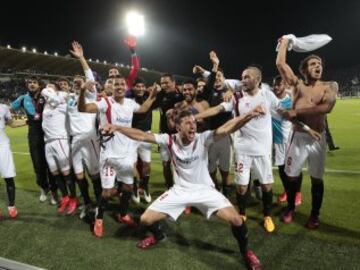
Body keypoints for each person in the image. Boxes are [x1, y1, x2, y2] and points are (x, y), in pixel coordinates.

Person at [100, 109, 265, 270]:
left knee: (236, 220)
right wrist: (117, 127)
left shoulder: (203, 138)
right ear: (178, 128)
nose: (193, 126)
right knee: (145, 220)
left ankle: (246, 252)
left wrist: (248, 115)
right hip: (180, 191)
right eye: (187, 123)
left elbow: (228, 127)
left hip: (204, 190)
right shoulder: (170, 140)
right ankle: (158, 235)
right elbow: (142, 135)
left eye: (194, 122)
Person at [78, 76, 157, 237]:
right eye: (116, 84)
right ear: (111, 87)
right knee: (107, 192)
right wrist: (81, 91)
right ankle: (98, 218)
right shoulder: (105, 103)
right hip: (109, 157)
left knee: (128, 187)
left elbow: (143, 109)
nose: (119, 86)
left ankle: (123, 214)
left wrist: (152, 95)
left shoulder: (129, 103)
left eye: (122, 84)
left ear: (125, 87)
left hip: (126, 155)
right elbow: (83, 109)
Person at [276, 36, 338, 229]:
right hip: (298, 136)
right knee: (292, 176)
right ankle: (291, 208)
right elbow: (280, 63)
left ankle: (314, 214)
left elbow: (326, 108)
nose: (318, 66)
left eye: (319, 63)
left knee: (317, 179)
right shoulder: (297, 84)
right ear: (304, 70)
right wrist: (285, 41)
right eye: (313, 64)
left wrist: (296, 112)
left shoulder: (330, 86)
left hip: (318, 138)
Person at [11, 77, 58, 205]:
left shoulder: (46, 95)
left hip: (48, 132)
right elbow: (9, 109)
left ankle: (54, 192)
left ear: (39, 84)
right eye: (29, 83)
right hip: (34, 133)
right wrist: (23, 121)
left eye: (34, 82)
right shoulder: (22, 98)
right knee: (38, 164)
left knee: (51, 165)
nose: (32, 84)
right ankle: (44, 188)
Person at [271, 75, 302, 206]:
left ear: (285, 86)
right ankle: (287, 191)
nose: (276, 87)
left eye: (279, 84)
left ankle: (297, 194)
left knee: (293, 168)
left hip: (289, 140)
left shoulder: (291, 101)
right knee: (281, 168)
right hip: (276, 141)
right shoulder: (269, 100)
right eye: (275, 84)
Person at [0, 103, 26, 219]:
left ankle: (12, 206)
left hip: (2, 145)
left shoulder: (3, 107)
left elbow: (12, 124)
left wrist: (27, 121)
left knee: (8, 176)